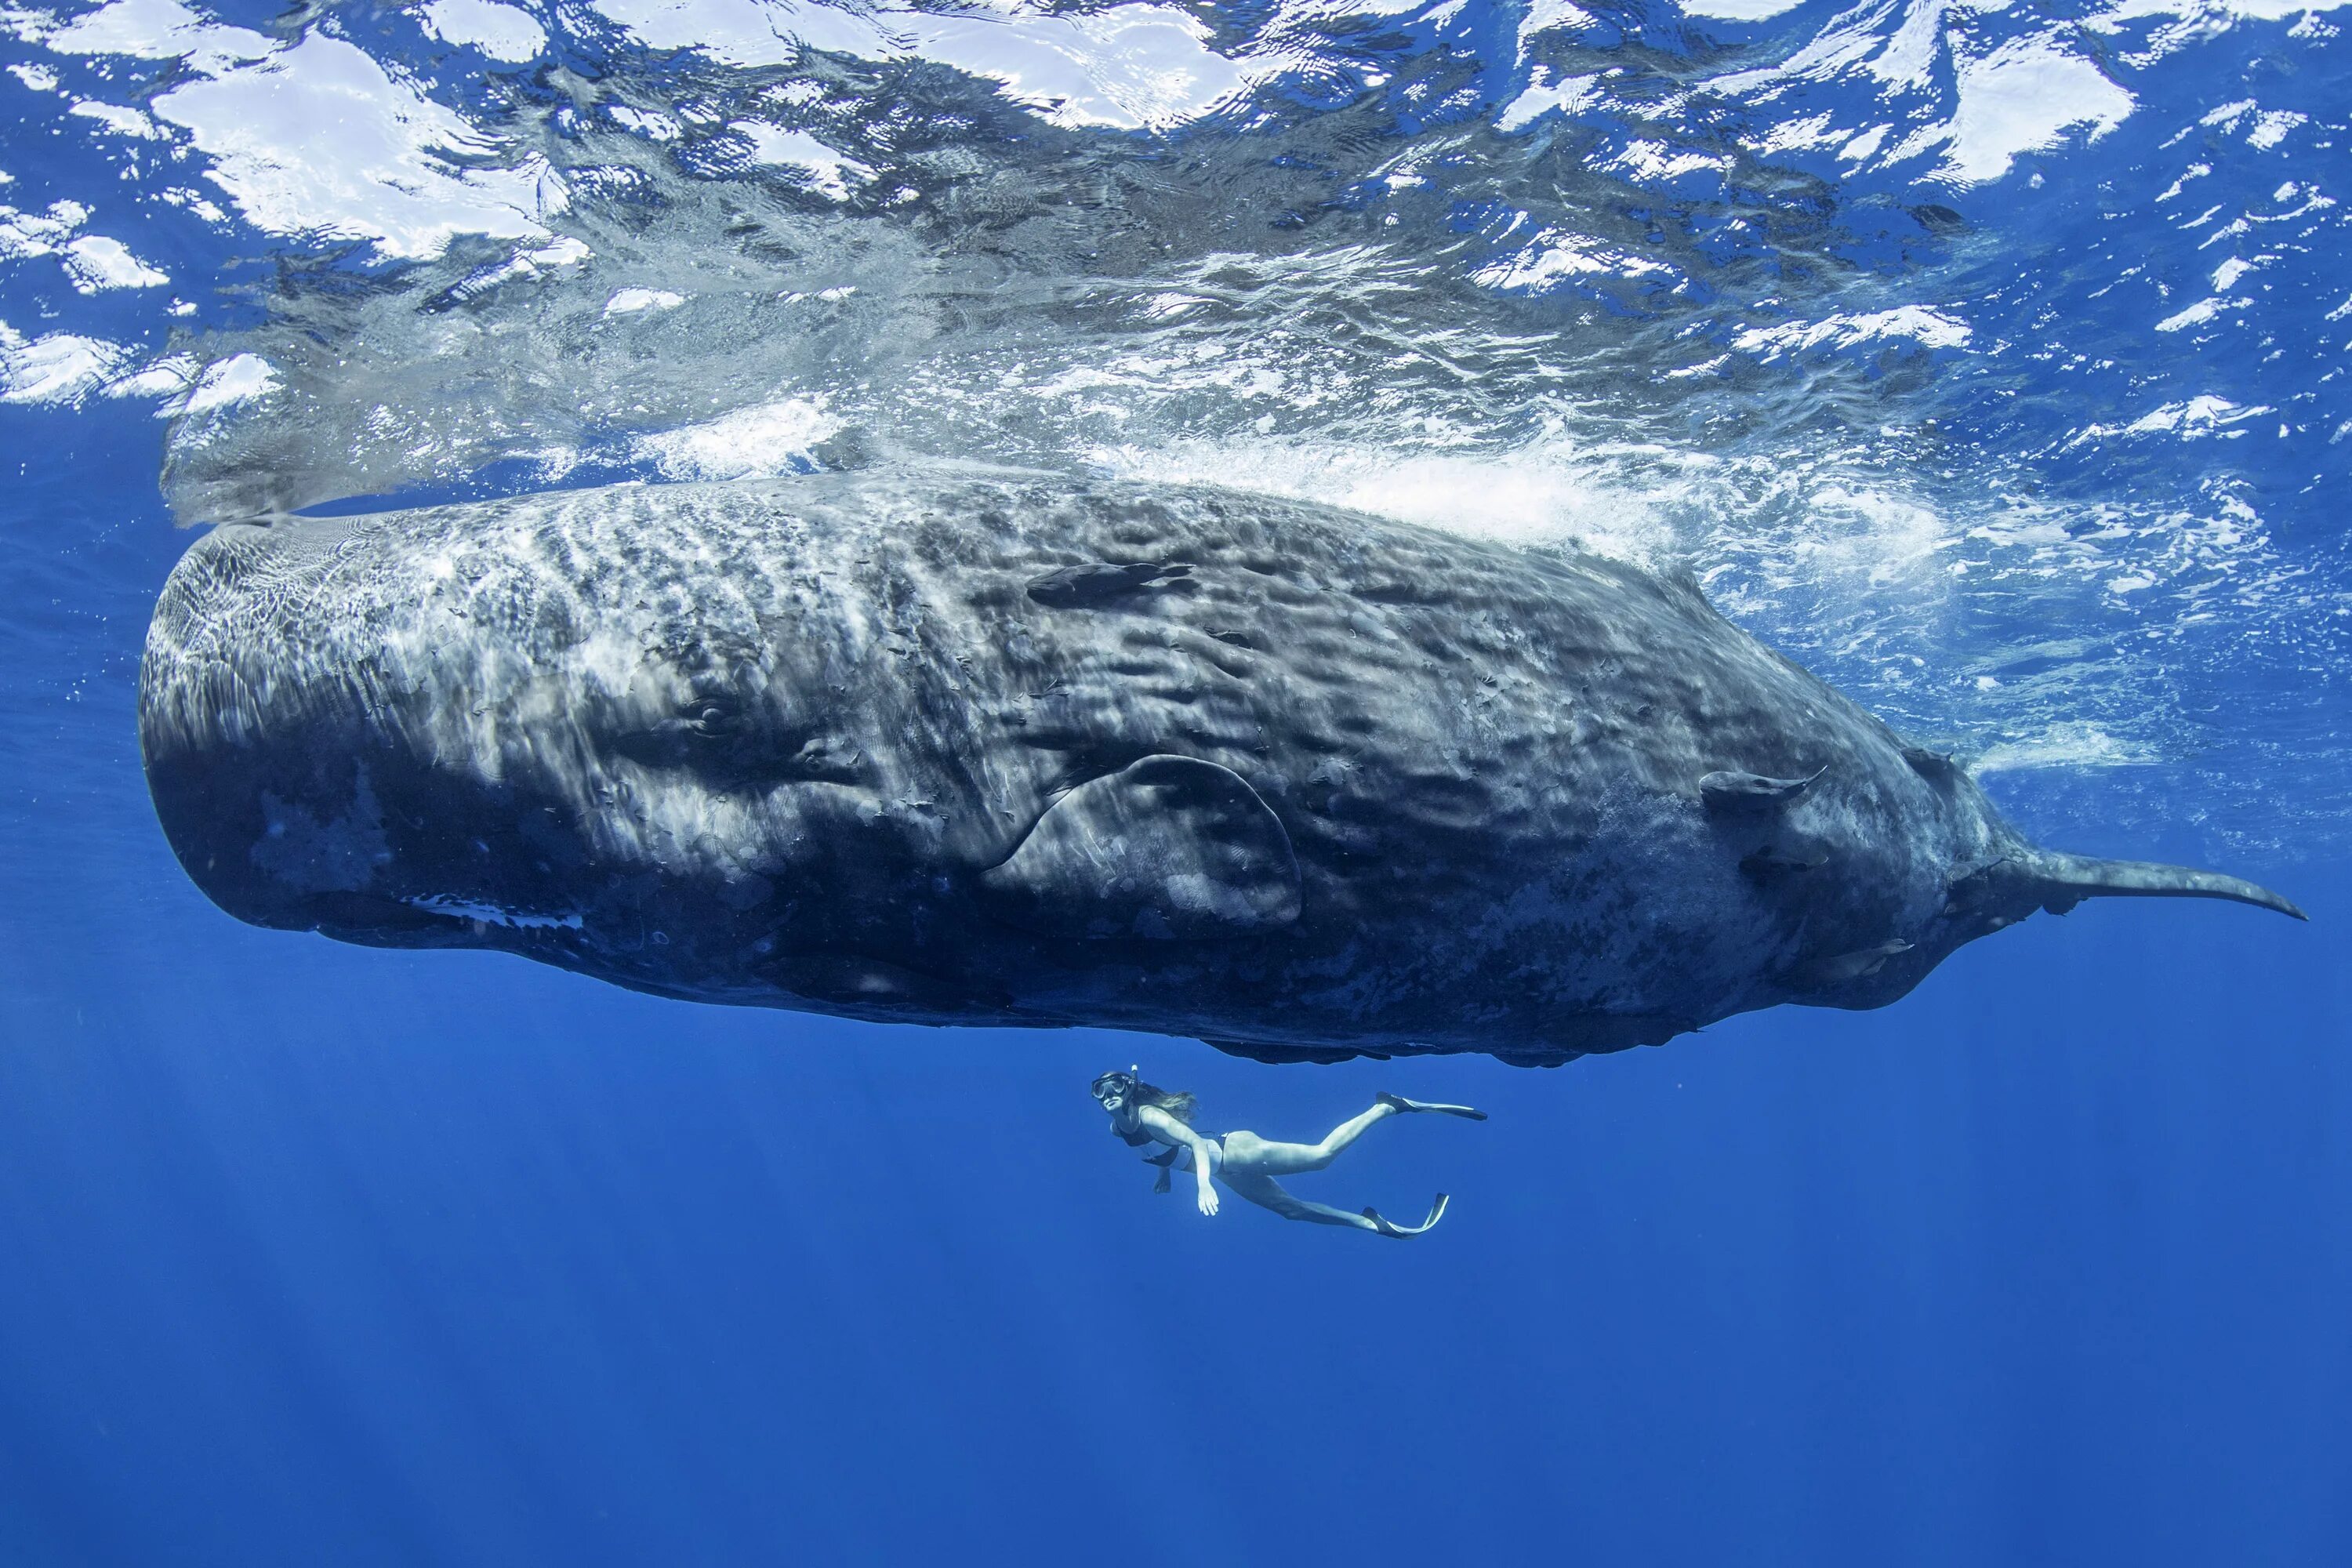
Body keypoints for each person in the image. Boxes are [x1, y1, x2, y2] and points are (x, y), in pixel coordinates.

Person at [1089, 1066, 1486, 1237]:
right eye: (1099, 1091)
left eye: (1114, 1089)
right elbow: (1166, 1150)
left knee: (1321, 1157)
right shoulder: (1116, 1128)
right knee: (1290, 1210)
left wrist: (1202, 1187)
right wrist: (1164, 1174)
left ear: (1130, 1090)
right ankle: (1373, 1225)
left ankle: (1386, 1106)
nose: (1107, 1097)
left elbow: (1192, 1141)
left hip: (1233, 1153)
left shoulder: (1150, 1116)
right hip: (1229, 1170)